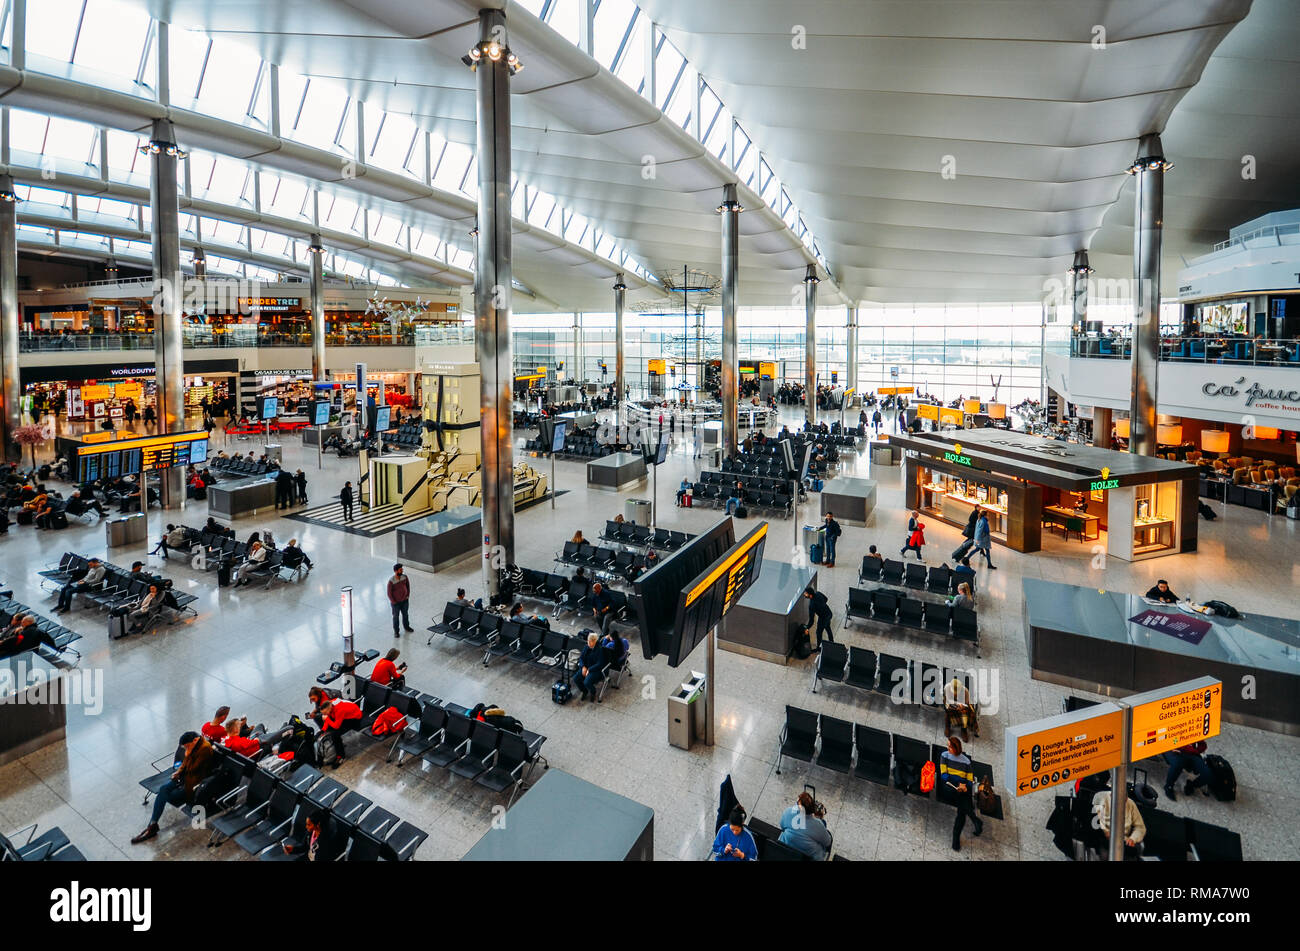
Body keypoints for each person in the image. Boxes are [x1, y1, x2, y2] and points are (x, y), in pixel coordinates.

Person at [130, 732, 216, 843]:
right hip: (183, 778)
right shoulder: (194, 745)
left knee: (168, 797)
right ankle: (153, 824)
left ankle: (152, 826)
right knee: (163, 789)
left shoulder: (205, 749)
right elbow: (184, 765)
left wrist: (188, 754)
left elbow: (193, 769)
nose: (186, 749)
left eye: (187, 746)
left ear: (195, 740)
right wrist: (179, 771)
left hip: (194, 783)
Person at [940, 736, 983, 851]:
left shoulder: (966, 761)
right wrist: (957, 785)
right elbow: (944, 775)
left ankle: (956, 838)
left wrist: (964, 786)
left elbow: (969, 779)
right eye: (948, 745)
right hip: (949, 786)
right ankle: (975, 820)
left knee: (962, 811)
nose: (947, 747)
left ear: (956, 747)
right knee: (963, 805)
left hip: (962, 788)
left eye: (950, 746)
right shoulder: (944, 756)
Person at [1092, 783, 1147, 860]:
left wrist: (1133, 838)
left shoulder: (1131, 805)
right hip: (1106, 841)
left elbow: (1140, 827)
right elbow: (1095, 823)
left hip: (1125, 844)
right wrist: (1106, 831)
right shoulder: (1102, 800)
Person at [777, 791, 832, 860]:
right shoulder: (818, 824)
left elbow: (782, 826)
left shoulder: (788, 811)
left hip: (787, 848)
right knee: (826, 831)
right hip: (809, 857)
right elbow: (828, 842)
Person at [318, 698, 364, 767]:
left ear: (329, 709)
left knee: (335, 734)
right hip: (345, 716)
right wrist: (323, 729)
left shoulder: (339, 710)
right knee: (330, 728)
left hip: (355, 719)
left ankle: (341, 756)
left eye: (324, 713)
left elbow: (336, 726)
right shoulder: (330, 705)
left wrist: (327, 719)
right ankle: (335, 749)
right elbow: (329, 717)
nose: (324, 715)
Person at [571, 632, 607, 701]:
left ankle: (593, 692)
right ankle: (584, 691)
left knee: (586, 682)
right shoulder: (587, 646)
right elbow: (581, 658)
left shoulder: (600, 649)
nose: (589, 643)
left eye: (590, 642)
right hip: (586, 667)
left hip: (595, 670)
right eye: (588, 641)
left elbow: (599, 664)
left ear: (595, 641)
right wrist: (583, 667)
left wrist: (589, 670)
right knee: (576, 678)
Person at [943, 675, 979, 740]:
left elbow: (967, 704)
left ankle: (963, 730)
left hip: (961, 708)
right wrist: (954, 705)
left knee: (966, 713)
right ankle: (947, 726)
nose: (955, 694)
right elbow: (946, 700)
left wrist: (960, 706)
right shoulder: (947, 687)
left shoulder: (965, 691)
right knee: (947, 712)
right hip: (950, 706)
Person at [803, 585, 834, 651]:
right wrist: (822, 605)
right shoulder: (818, 593)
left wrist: (807, 627)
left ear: (810, 595)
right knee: (828, 627)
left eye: (806, 593)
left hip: (823, 618)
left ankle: (819, 648)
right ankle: (832, 642)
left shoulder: (812, 605)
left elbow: (811, 620)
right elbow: (826, 599)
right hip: (829, 613)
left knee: (819, 632)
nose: (804, 594)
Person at [388, 563, 413, 636]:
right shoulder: (391, 581)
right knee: (396, 617)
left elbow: (408, 586)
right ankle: (396, 631)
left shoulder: (405, 577)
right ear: (396, 571)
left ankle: (407, 627)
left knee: (405, 615)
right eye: (400, 570)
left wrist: (407, 595)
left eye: (402, 569)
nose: (402, 571)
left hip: (405, 601)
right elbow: (389, 593)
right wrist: (394, 602)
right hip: (396, 603)